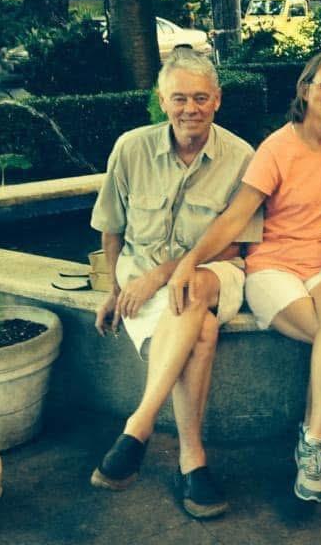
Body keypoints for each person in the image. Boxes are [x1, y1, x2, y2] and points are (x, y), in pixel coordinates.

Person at [168, 52, 321, 503]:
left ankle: (311, 439)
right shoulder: (277, 147)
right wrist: (188, 261)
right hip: (272, 265)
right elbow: (235, 219)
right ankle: (318, 440)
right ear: (305, 90)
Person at [89, 48, 261, 518]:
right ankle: (193, 460)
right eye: (180, 98)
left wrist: (165, 275)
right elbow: (112, 229)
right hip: (139, 272)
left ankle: (139, 426)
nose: (191, 108)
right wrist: (112, 288)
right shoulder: (130, 148)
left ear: (218, 100)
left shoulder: (241, 156)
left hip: (212, 271)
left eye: (201, 98)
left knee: (196, 287)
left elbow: (236, 245)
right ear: (162, 101)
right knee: (200, 329)